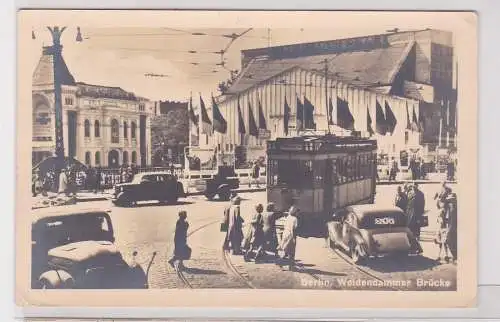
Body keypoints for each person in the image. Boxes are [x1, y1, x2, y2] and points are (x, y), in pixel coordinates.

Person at [278, 205, 299, 271]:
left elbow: (285, 226)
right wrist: (294, 238)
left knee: (285, 250)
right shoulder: (295, 219)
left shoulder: (288, 217)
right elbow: (294, 229)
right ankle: (291, 266)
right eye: (297, 212)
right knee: (292, 253)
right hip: (291, 235)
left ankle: (280, 262)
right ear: (295, 212)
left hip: (285, 234)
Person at [446, 193, 458, 264]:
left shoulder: (455, 207)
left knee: (450, 240)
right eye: (449, 200)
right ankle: (455, 255)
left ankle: (455, 256)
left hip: (453, 226)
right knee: (450, 241)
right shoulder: (450, 206)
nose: (450, 201)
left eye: (451, 200)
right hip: (451, 225)